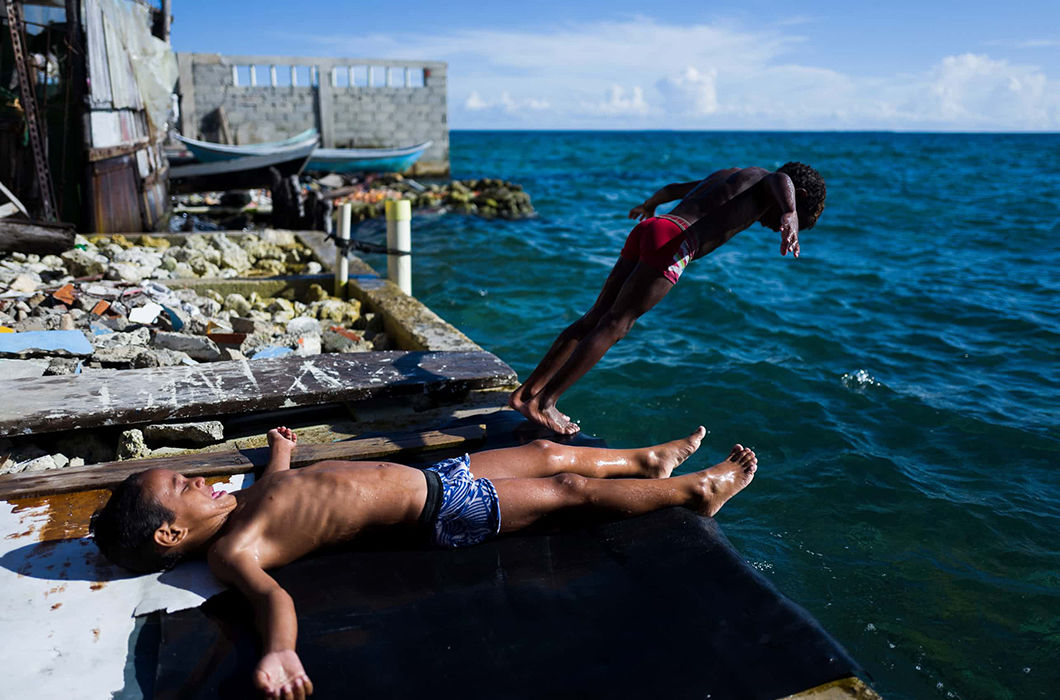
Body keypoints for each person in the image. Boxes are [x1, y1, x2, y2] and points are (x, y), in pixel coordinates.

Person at [91, 425, 758, 699]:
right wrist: (279, 653)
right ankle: (693, 494)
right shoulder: (237, 551)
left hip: (432, 476)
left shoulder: (237, 507)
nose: (196, 481)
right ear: (170, 536)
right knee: (567, 493)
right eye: (181, 490)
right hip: (443, 512)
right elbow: (274, 600)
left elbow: (280, 488)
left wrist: (284, 452)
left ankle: (645, 461)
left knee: (547, 451)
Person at [509, 163, 826, 434]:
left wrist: (649, 204)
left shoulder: (733, 176)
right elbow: (780, 179)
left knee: (595, 318)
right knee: (617, 324)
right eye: (780, 222)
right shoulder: (773, 182)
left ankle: (527, 393)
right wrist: (789, 213)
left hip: (655, 226)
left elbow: (674, 188)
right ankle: (545, 403)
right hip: (677, 241)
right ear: (800, 197)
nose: (771, 227)